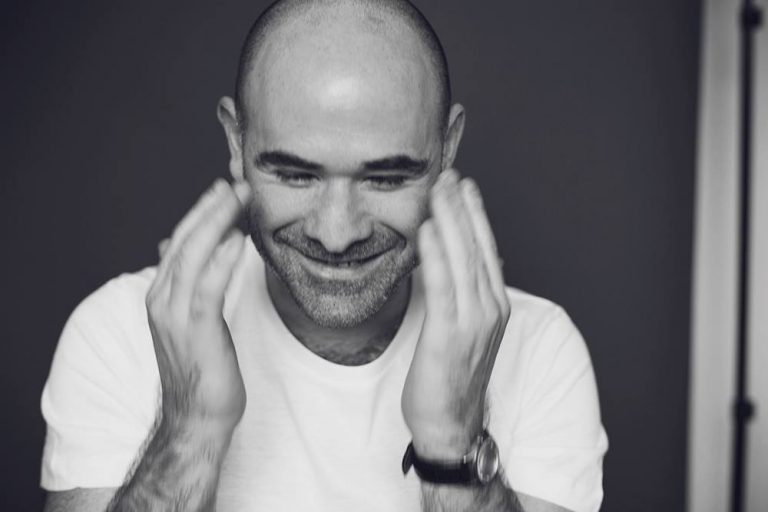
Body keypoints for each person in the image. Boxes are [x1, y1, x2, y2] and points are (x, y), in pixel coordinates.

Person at [40, 0, 608, 511]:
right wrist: (189, 433)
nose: (337, 235)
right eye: (294, 174)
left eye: (387, 178)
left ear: (446, 148)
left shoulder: (538, 348)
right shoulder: (119, 331)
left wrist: (452, 444)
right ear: (236, 143)